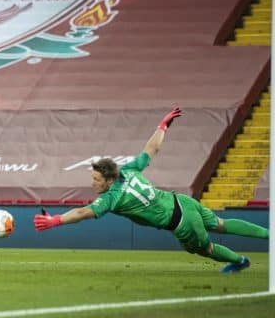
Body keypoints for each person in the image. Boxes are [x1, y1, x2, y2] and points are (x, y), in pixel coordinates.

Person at [34, 107, 269, 273]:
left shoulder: (112, 197)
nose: (93, 183)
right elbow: (152, 149)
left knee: (205, 249)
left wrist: (56, 220)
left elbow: (82, 213)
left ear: (107, 179)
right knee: (220, 224)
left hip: (180, 221)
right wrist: (163, 125)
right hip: (183, 202)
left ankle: (240, 261)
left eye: (96, 179)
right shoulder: (129, 169)